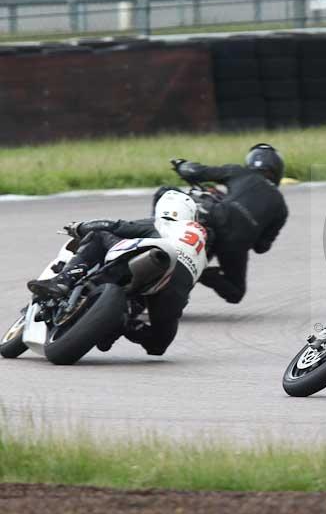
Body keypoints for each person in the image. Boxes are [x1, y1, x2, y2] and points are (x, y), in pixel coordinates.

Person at [27, 190, 206, 356]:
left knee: (99, 235)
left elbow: (117, 226)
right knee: (158, 344)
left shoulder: (164, 223)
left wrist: (80, 227)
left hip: (154, 257)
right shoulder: (201, 248)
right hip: (177, 286)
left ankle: (64, 280)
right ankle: (123, 324)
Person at [166, 143, 289, 304]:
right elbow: (261, 247)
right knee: (235, 293)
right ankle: (203, 273)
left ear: (250, 162)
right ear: (277, 170)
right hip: (236, 244)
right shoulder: (281, 208)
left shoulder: (240, 172)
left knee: (166, 192)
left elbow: (198, 171)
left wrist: (182, 165)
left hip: (214, 216)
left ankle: (159, 235)